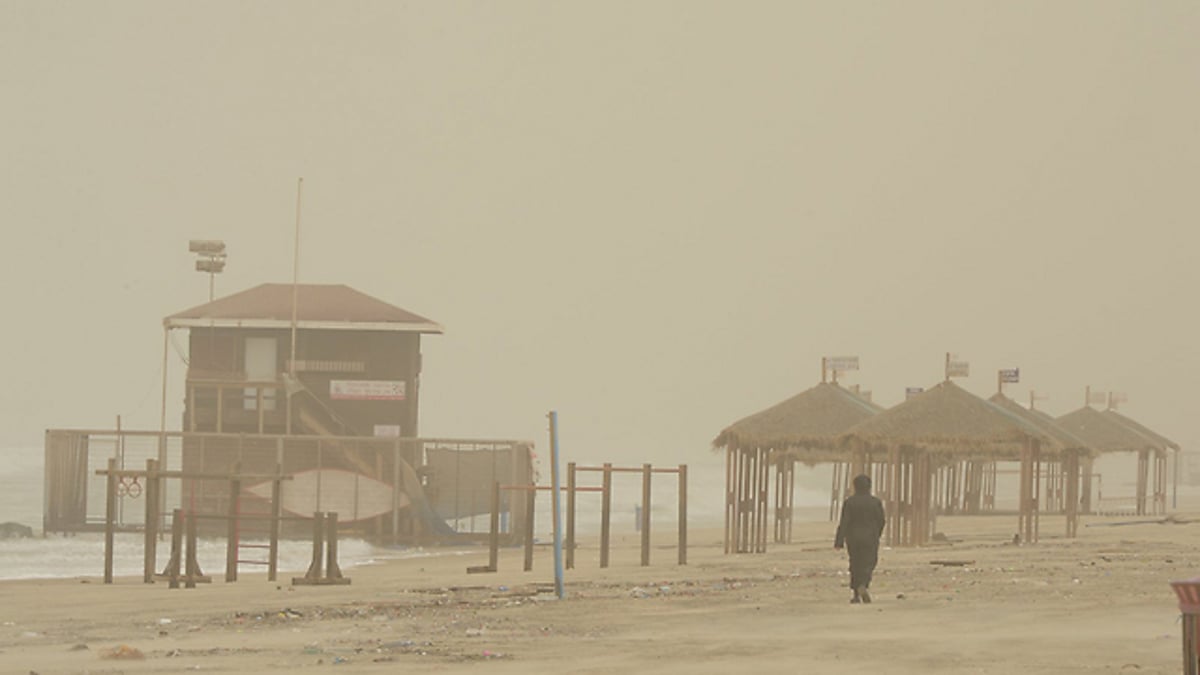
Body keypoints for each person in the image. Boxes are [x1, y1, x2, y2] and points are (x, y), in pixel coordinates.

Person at [834, 473, 886, 604]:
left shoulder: (849, 502)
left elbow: (844, 522)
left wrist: (839, 541)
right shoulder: (875, 502)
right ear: (869, 487)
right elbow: (882, 521)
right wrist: (877, 534)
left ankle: (856, 594)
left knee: (855, 563)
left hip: (853, 538)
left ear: (855, 487)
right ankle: (863, 584)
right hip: (870, 537)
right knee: (869, 563)